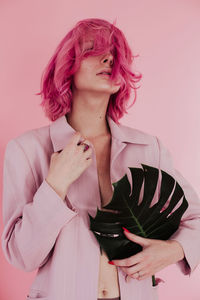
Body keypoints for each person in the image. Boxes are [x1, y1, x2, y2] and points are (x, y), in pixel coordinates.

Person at [1, 18, 200, 300]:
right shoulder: (27, 150)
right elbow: (21, 256)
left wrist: (174, 250)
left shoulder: (148, 148)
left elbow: (196, 217)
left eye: (115, 55)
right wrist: (55, 185)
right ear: (67, 65)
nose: (108, 58)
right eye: (92, 49)